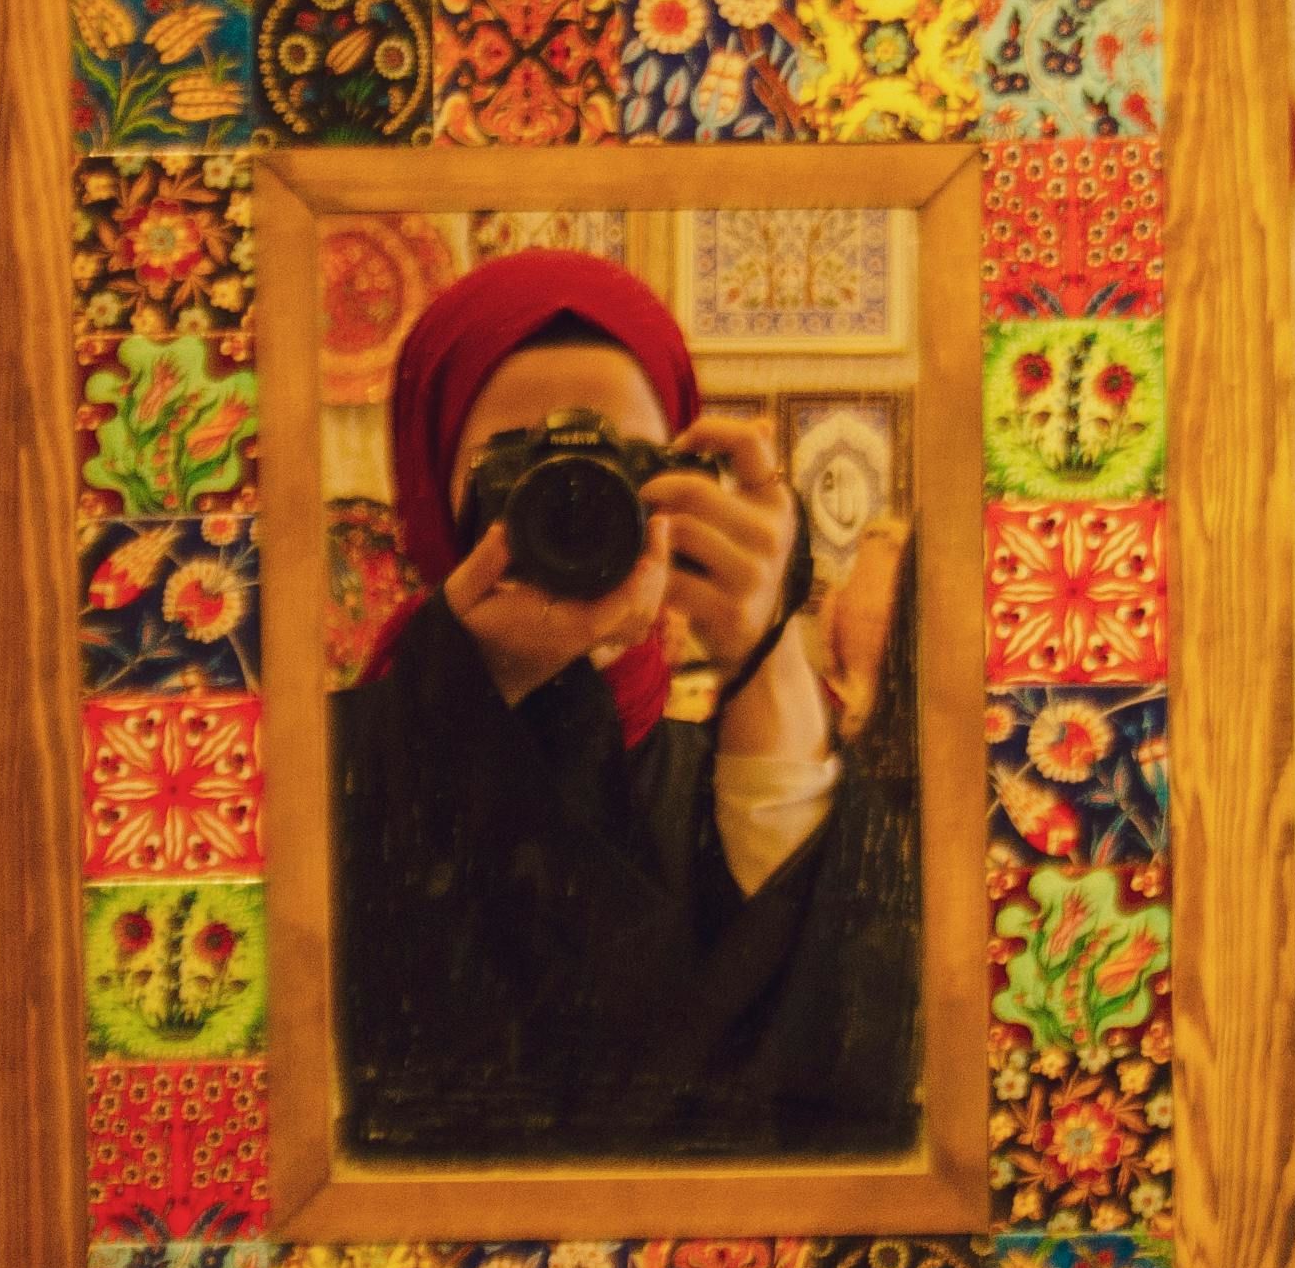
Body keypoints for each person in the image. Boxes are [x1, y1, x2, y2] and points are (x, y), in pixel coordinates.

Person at [332, 249, 922, 1163]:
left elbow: (840, 1041)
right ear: (429, 493)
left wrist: (765, 651)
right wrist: (466, 690)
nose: (573, 500)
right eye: (517, 464)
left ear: (686, 481)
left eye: (619, 462)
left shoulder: (728, 771)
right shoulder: (329, 772)